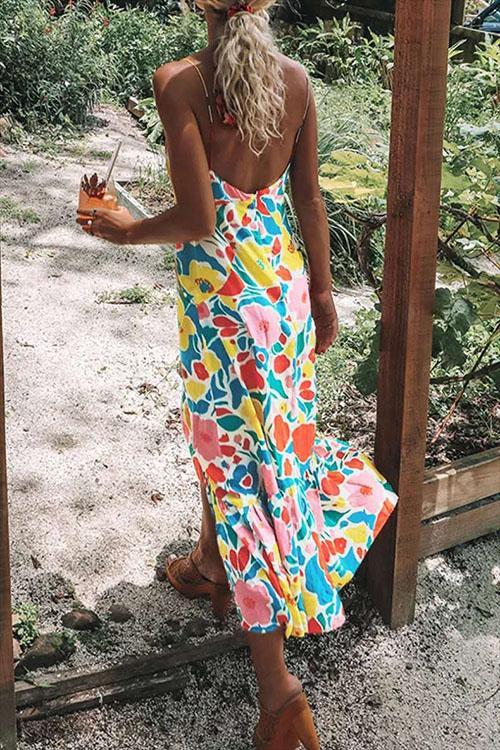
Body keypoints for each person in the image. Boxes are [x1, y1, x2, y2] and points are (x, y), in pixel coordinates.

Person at [77, 0, 399, 746]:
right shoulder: (297, 81)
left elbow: (197, 218)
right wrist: (323, 295)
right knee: (253, 449)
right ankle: (210, 565)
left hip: (222, 302)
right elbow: (308, 198)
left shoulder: (180, 82)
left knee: (234, 464)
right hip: (279, 291)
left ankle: (280, 698)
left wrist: (125, 230)